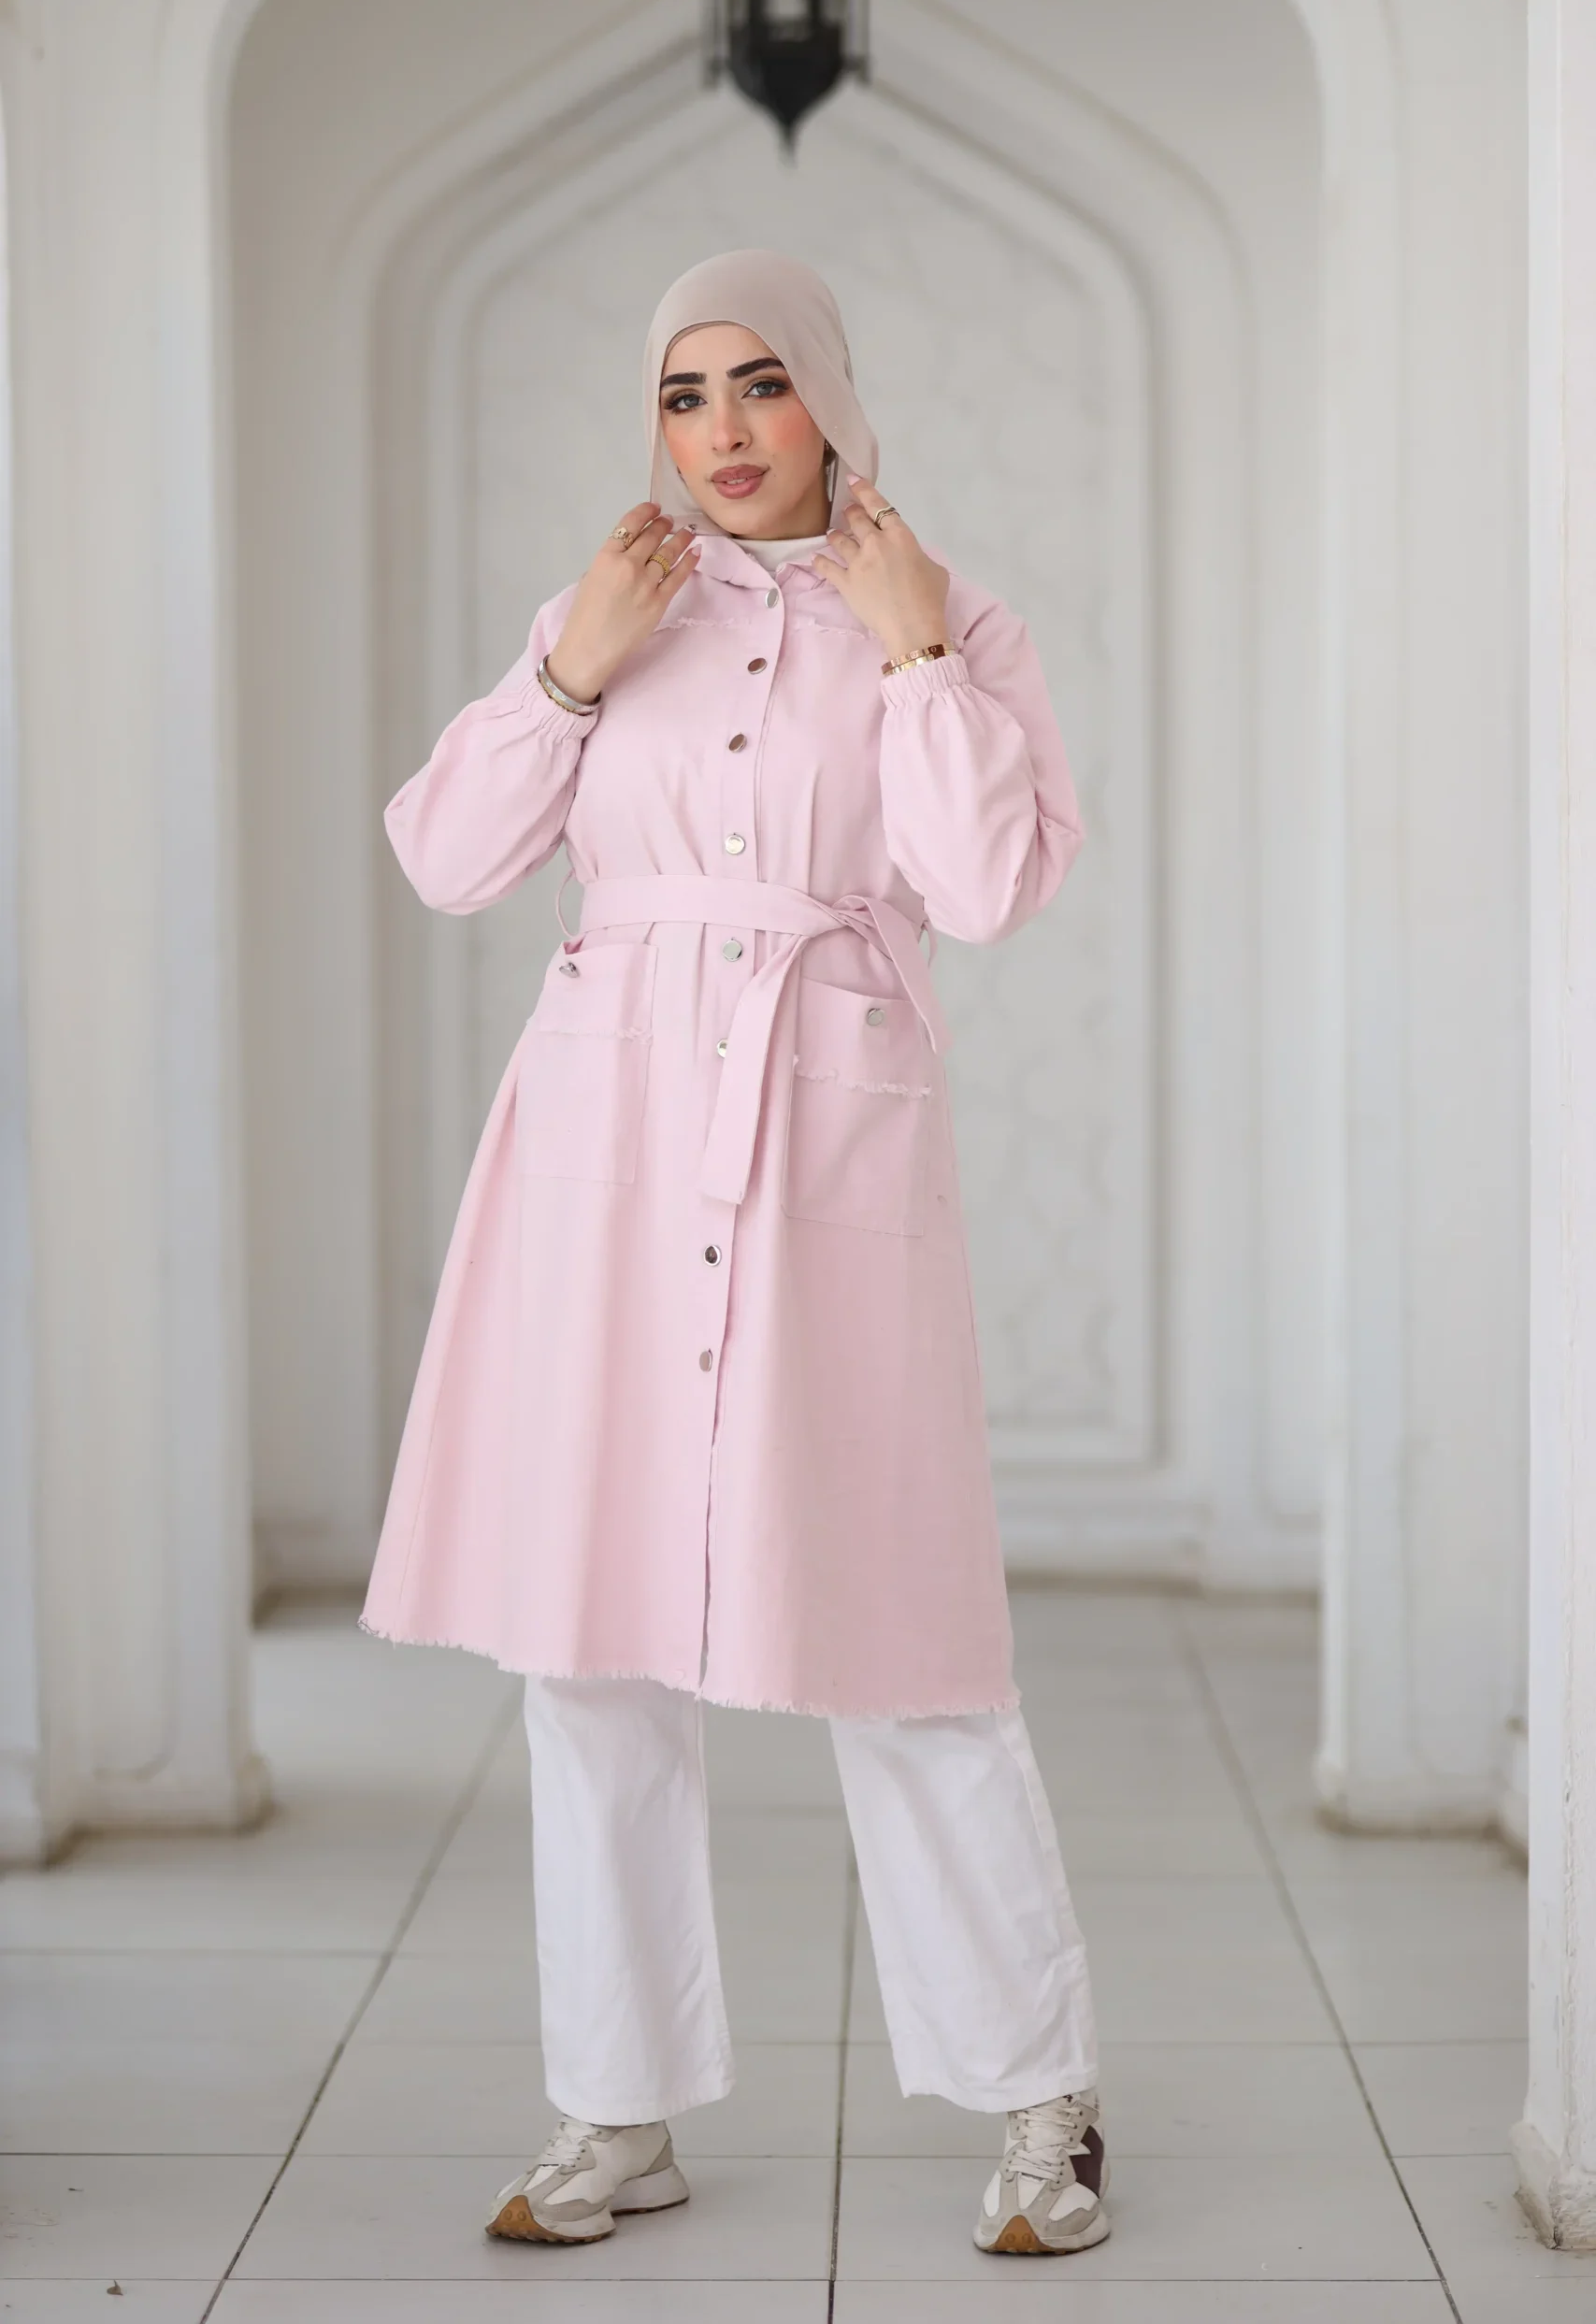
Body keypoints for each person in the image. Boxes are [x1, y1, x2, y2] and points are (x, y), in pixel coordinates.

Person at [360, 249, 1106, 2259]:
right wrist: (568, 673)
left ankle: (1041, 2100)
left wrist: (918, 657)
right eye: (682, 396)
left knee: (902, 1630)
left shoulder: (953, 617)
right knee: (587, 1641)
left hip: (824, 1130)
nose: (722, 431)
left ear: (829, 397)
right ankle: (616, 2107)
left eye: (760, 383)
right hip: (600, 1152)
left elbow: (985, 883)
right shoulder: (603, 615)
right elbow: (444, 855)